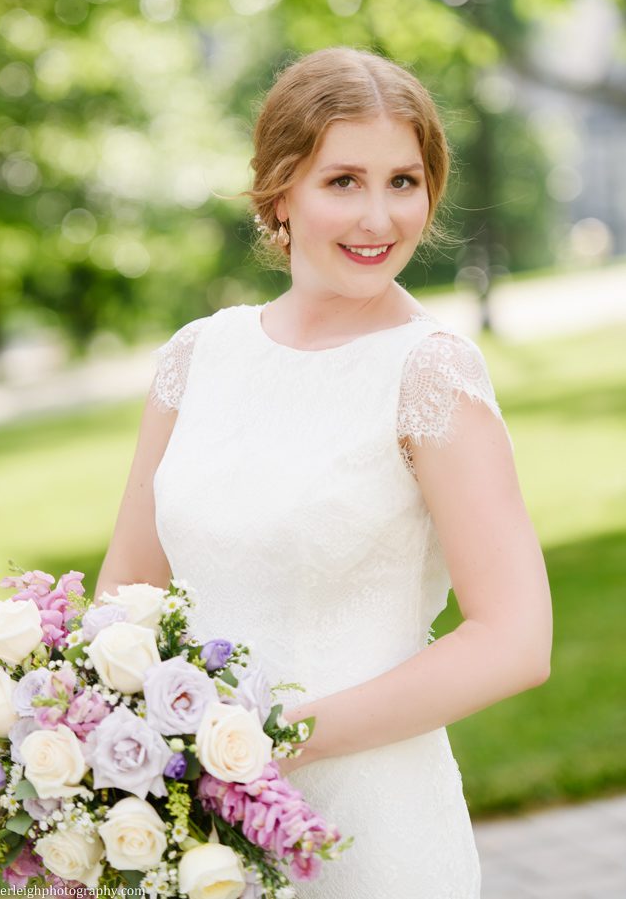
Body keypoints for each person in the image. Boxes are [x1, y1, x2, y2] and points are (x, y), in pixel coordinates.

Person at [94, 46, 553, 898]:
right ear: (280, 192)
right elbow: (126, 593)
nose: (379, 216)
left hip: (372, 837)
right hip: (197, 838)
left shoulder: (429, 373)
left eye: (403, 181)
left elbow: (515, 640)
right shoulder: (197, 357)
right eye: (343, 181)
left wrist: (263, 743)